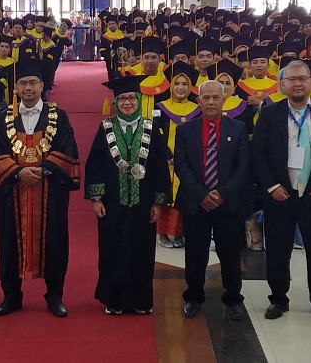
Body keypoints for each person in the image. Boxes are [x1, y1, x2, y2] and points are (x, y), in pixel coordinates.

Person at [251, 59, 311, 322]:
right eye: (291, 79)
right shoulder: (270, 115)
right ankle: (278, 299)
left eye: (302, 79)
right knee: (278, 250)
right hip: (280, 195)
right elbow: (258, 153)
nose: (297, 83)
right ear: (282, 84)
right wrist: (272, 186)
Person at [0, 58, 80, 317]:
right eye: (23, 83)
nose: (28, 88)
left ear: (42, 86)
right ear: (15, 88)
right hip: (13, 192)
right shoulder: (3, 118)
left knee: (54, 242)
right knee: (8, 243)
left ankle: (54, 297)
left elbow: (67, 148)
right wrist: (18, 172)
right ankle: (11, 297)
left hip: (49, 191)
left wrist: (43, 169)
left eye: (33, 83)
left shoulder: (58, 116)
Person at [84, 75, 170, 315]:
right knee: (112, 249)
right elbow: (95, 165)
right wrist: (96, 198)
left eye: (132, 98)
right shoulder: (106, 128)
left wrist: (157, 202)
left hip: (143, 204)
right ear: (116, 102)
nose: (128, 103)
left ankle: (142, 301)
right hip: (112, 204)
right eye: (122, 99)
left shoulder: (151, 128)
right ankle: (114, 300)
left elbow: (159, 167)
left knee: (142, 251)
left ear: (140, 99)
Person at [174, 80, 251, 321]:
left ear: (224, 99)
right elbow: (181, 165)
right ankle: (194, 297)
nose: (210, 102)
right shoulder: (185, 130)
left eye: (215, 98)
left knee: (230, 253)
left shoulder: (238, 128)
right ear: (198, 101)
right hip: (195, 203)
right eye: (205, 97)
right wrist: (201, 194)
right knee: (195, 254)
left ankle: (233, 298)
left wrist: (222, 193)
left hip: (227, 203)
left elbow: (243, 166)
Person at [156, 61, 200, 248]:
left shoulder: (197, 109)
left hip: (188, 161)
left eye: (184, 84)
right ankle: (163, 233)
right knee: (166, 196)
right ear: (171, 86)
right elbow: (156, 134)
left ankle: (180, 232)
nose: (180, 88)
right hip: (167, 161)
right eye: (177, 84)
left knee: (186, 196)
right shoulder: (161, 108)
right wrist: (167, 154)